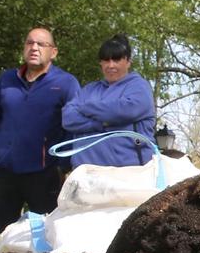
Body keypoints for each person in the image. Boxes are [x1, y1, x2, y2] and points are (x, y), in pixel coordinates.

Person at [0, 27, 80, 231]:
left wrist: (64, 166)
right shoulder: (6, 80)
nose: (34, 47)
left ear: (53, 52)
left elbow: (74, 128)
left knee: (47, 235)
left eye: (41, 44)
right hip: (2, 173)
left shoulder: (66, 83)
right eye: (29, 43)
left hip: (44, 175)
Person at [61, 34, 156, 168]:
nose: (111, 65)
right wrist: (102, 124)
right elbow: (68, 118)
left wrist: (86, 108)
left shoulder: (140, 87)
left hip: (130, 174)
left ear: (128, 61)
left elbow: (125, 110)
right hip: (85, 175)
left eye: (116, 60)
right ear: (101, 62)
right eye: (106, 60)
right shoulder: (88, 90)